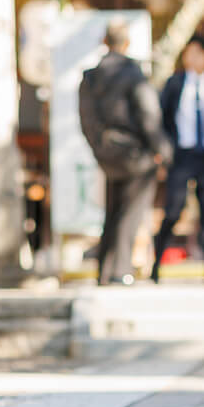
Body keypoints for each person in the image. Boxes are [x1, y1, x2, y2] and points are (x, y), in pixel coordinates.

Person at [79, 20, 171, 286]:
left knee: (112, 212)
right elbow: (148, 115)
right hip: (135, 153)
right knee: (130, 213)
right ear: (126, 43)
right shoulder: (132, 73)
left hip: (106, 153)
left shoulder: (91, 77)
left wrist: (99, 147)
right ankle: (120, 270)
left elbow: (85, 119)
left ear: (105, 43)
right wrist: (162, 151)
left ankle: (104, 271)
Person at [151, 34, 204, 284]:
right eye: (189, 52)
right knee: (173, 211)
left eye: (198, 53)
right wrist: (162, 150)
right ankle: (155, 264)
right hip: (181, 156)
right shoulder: (175, 84)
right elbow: (162, 119)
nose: (192, 58)